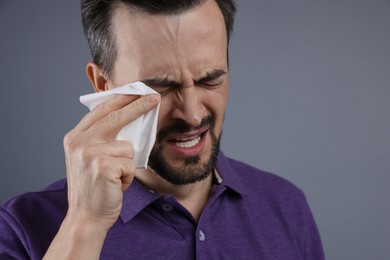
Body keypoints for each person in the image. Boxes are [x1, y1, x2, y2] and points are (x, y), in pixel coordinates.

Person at [0, 0, 324, 259]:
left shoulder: (286, 206)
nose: (193, 115)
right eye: (160, 87)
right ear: (102, 84)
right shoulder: (20, 227)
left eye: (210, 79)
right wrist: (86, 225)